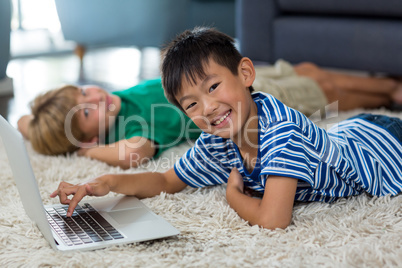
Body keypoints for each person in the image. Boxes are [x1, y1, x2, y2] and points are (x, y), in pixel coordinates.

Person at [51, 27, 402, 230]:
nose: (207, 108)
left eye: (213, 87)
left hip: (383, 146)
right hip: (350, 131)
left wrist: (234, 196)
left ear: (245, 74)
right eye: (191, 104)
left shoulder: (282, 133)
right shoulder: (216, 142)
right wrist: (104, 184)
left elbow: (273, 221)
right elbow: (165, 181)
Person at [18, 79, 202, 169]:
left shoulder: (111, 106)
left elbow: (22, 122)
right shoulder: (128, 127)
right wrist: (87, 151)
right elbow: (133, 153)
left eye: (82, 92)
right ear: (90, 139)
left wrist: (34, 126)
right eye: (87, 112)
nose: (96, 96)